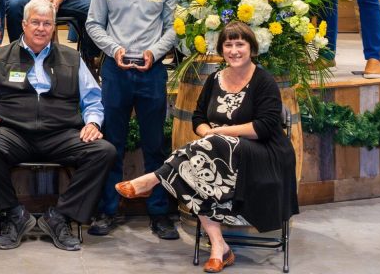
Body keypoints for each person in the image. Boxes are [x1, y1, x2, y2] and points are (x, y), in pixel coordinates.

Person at [117, 21, 298, 273]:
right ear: (221, 50)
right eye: (228, 45)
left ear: (252, 48)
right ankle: (219, 246)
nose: (234, 51)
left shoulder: (263, 81)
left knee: (208, 150)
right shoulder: (214, 79)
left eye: (240, 44)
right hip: (218, 155)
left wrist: (218, 133)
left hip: (263, 153)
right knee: (196, 169)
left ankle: (153, 179)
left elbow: (264, 128)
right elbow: (199, 118)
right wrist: (209, 135)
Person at [0, 0, 115, 251]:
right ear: (24, 24)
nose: (41, 28)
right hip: (14, 133)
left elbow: (93, 100)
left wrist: (93, 123)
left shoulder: (72, 58)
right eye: (35, 22)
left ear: (53, 27)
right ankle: (14, 215)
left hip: (61, 134)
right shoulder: (0, 57)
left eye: (47, 23)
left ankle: (60, 217)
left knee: (103, 151)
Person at [85, 0, 179, 240]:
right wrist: (115, 50)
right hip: (116, 71)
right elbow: (93, 24)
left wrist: (155, 52)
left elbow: (174, 28)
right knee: (112, 144)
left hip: (152, 71)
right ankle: (107, 210)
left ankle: (159, 213)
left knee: (155, 145)